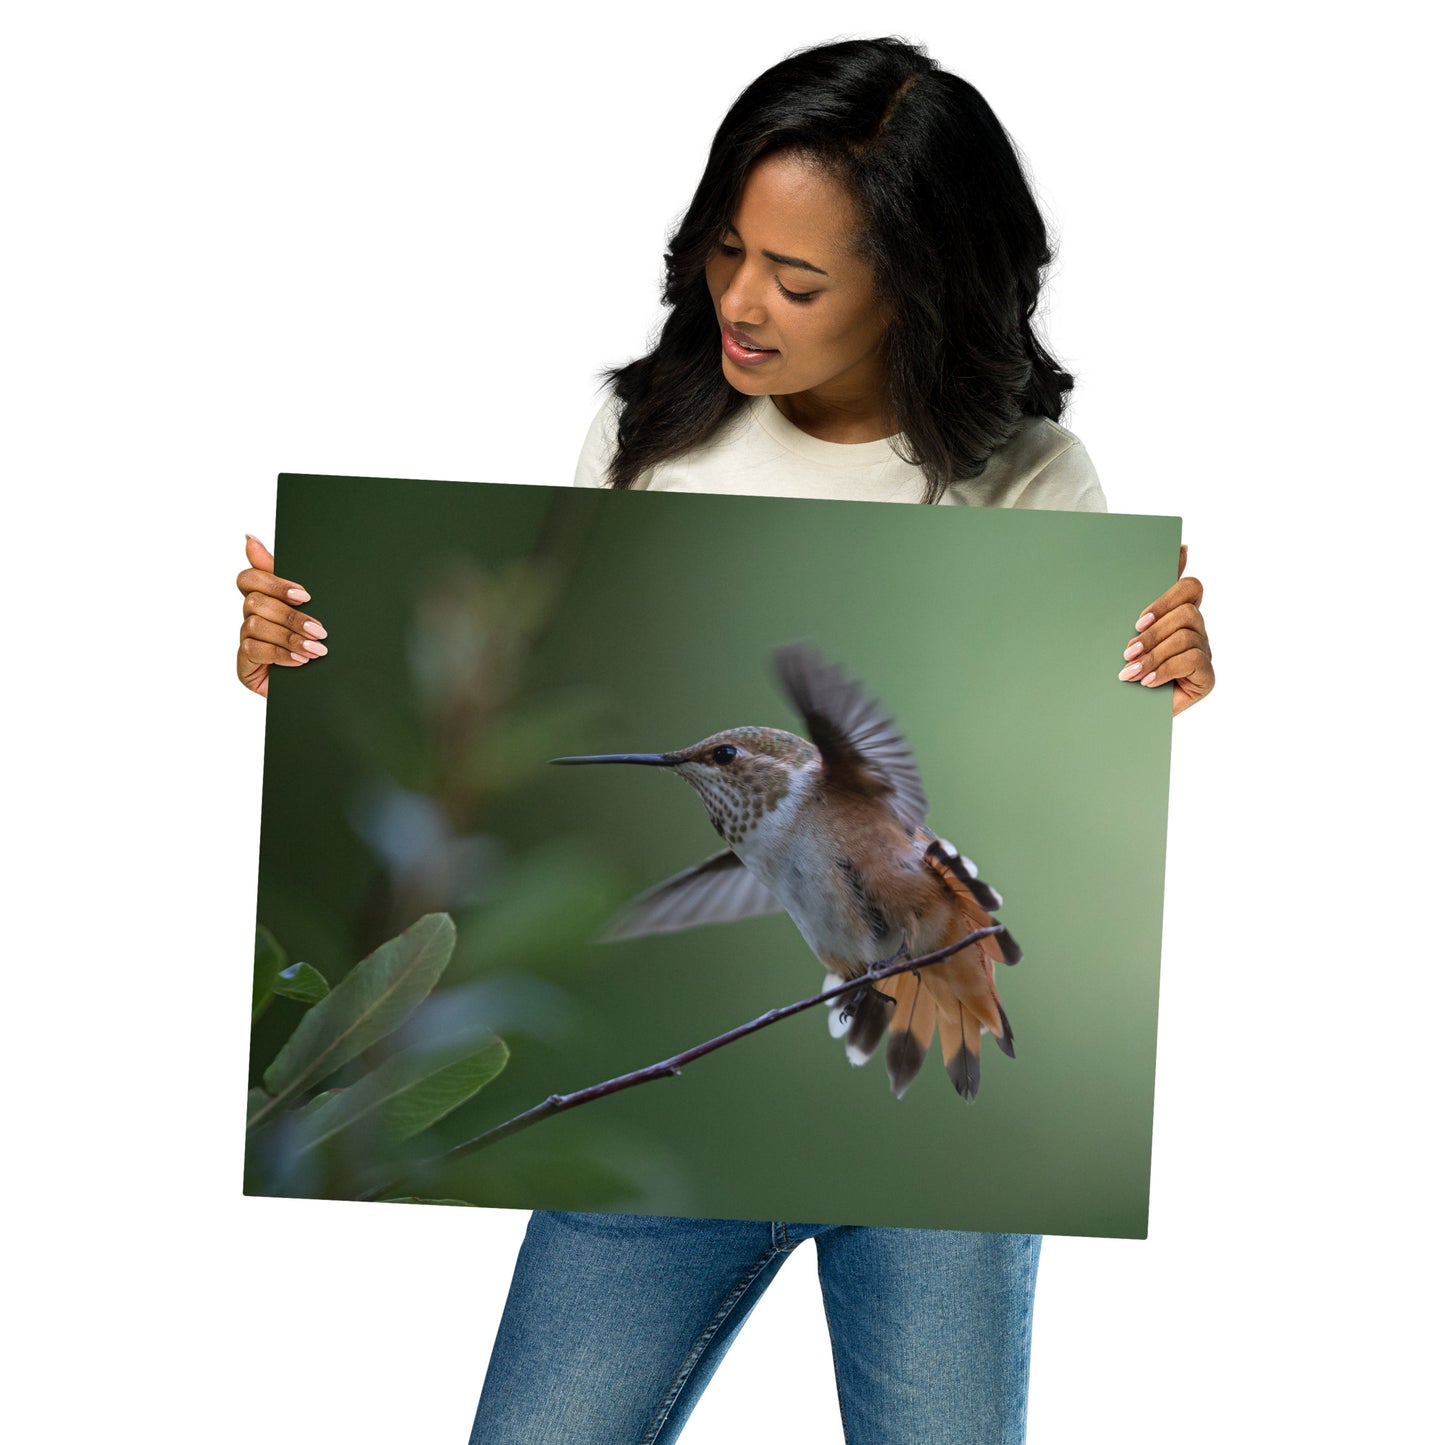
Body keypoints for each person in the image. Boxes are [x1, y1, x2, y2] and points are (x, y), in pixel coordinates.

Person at [236, 37, 1213, 1444]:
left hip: (939, 1186)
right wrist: (302, 666)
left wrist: (1162, 674)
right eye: (723, 251)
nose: (742, 302)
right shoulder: (644, 437)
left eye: (798, 279)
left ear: (917, 289)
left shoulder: (1032, 479)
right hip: (688, 1166)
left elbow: (1100, 712)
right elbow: (510, 661)